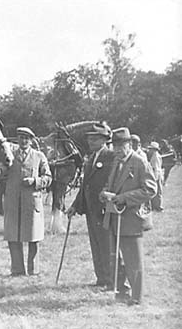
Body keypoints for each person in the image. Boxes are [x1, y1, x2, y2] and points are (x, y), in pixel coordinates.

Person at [100, 127, 157, 306]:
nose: (117, 149)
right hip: (114, 217)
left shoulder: (139, 162)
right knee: (116, 257)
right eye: (114, 145)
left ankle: (137, 296)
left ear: (129, 144)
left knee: (133, 259)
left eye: (121, 145)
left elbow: (150, 190)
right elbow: (112, 185)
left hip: (131, 218)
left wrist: (124, 198)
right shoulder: (116, 162)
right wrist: (104, 193)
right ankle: (122, 291)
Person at [67, 122, 115, 288]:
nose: (91, 142)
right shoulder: (90, 158)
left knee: (106, 243)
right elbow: (84, 185)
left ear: (104, 139)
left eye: (95, 139)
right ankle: (101, 278)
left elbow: (112, 182)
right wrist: (75, 205)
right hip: (90, 208)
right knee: (95, 243)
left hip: (104, 208)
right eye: (89, 139)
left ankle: (110, 280)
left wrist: (107, 199)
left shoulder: (110, 156)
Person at [4, 127, 52, 276]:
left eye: (27, 138)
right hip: (13, 202)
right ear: (17, 140)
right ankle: (17, 269)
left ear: (31, 140)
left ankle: (33, 270)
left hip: (31, 202)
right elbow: (1, 172)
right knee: (13, 237)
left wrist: (34, 181)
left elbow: (48, 177)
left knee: (33, 237)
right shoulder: (10, 156)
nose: (23, 141)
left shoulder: (39, 156)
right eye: (21, 138)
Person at [147, 141, 164, 211]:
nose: (150, 150)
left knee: (158, 192)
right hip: (157, 174)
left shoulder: (156, 156)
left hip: (156, 175)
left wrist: (154, 178)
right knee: (156, 191)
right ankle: (155, 206)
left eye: (151, 149)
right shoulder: (155, 155)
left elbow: (156, 168)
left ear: (154, 149)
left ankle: (159, 207)